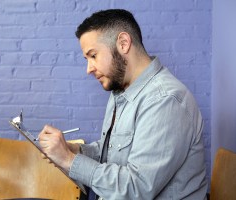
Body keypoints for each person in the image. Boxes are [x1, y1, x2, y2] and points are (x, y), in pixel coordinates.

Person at [38, 9, 208, 200]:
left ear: (123, 43)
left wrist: (69, 160)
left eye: (93, 55)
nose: (89, 69)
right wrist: (73, 150)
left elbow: (136, 189)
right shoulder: (121, 90)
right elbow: (112, 152)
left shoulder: (165, 100)